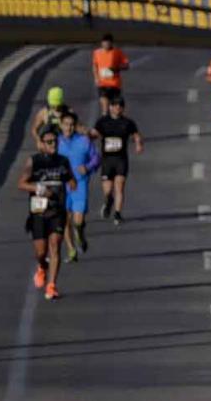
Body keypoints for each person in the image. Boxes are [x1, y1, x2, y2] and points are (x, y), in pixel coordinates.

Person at [18, 126, 76, 300]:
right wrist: (40, 188)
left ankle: (51, 286)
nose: (53, 145)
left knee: (55, 246)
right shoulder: (33, 162)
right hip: (38, 212)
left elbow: (69, 177)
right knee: (41, 252)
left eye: (55, 141)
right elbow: (21, 184)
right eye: (49, 142)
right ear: (41, 144)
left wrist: (72, 183)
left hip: (57, 212)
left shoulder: (63, 161)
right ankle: (42, 266)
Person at [90, 96, 143, 225]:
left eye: (120, 106)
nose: (117, 108)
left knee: (119, 186)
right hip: (107, 160)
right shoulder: (102, 121)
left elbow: (136, 134)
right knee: (108, 190)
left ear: (123, 108)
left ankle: (118, 214)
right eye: (115, 105)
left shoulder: (128, 123)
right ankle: (109, 201)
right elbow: (94, 133)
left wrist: (138, 144)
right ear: (110, 107)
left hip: (121, 159)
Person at [57, 111, 98, 263]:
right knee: (65, 220)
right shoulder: (56, 143)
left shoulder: (84, 141)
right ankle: (71, 250)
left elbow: (95, 158)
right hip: (62, 186)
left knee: (78, 220)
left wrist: (87, 167)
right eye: (66, 124)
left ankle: (80, 234)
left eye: (72, 125)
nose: (69, 127)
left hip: (80, 184)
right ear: (61, 125)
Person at [92, 33, 130, 114]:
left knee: (115, 108)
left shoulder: (117, 52)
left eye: (108, 43)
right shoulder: (96, 53)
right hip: (102, 84)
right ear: (101, 43)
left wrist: (117, 68)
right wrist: (96, 78)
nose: (106, 45)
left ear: (111, 43)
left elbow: (126, 65)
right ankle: (105, 122)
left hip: (114, 84)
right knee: (105, 107)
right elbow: (95, 66)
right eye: (104, 43)